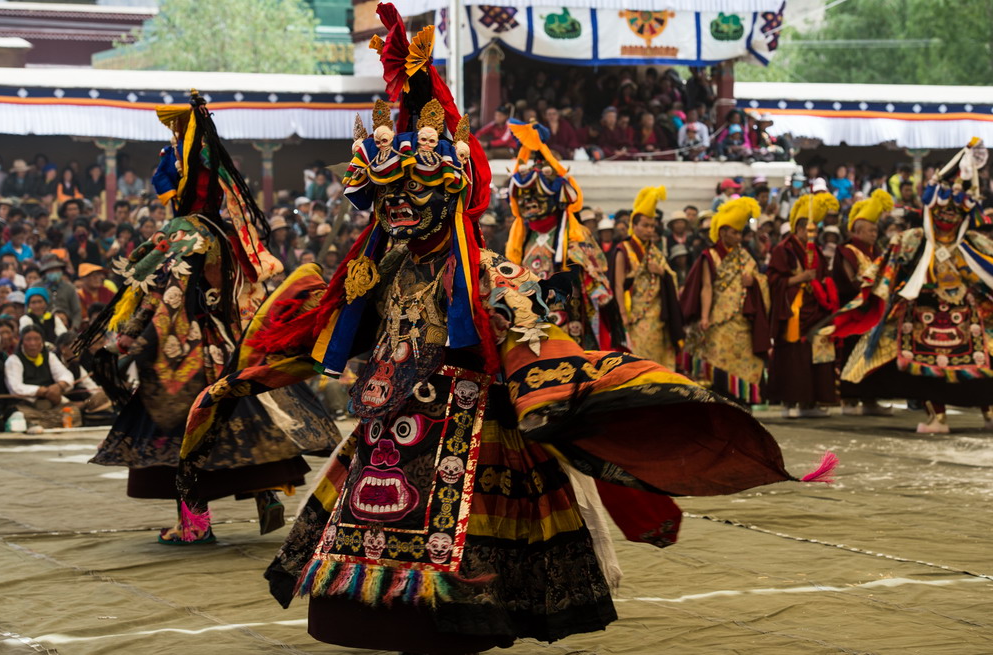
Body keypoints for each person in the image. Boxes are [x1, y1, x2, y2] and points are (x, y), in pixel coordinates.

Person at [185, 8, 835, 650]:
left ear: (450, 192)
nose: (398, 209)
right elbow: (322, 333)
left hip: (466, 428)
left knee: (465, 571)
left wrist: (583, 387)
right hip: (388, 422)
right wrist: (243, 378)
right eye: (386, 198)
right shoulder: (375, 270)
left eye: (411, 193)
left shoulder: (485, 273)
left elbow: (533, 339)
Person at [81, 91, 340, 544]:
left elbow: (161, 293)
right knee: (249, 418)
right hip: (231, 344)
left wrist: (126, 339)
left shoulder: (181, 234)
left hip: (185, 352)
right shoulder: (226, 233)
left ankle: (194, 525)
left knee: (181, 438)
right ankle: (266, 493)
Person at [830, 141, 993, 432]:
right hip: (925, 316)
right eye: (942, 212)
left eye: (954, 213)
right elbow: (885, 274)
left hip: (961, 316)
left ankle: (979, 411)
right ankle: (944, 415)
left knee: (974, 363)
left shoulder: (972, 243)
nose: (948, 218)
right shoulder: (915, 239)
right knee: (931, 371)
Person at [504, 122, 623, 350]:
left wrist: (600, 296)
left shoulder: (573, 235)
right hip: (530, 320)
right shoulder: (521, 239)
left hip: (568, 318)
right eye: (525, 197)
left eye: (537, 196)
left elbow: (594, 278)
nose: (529, 203)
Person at [680, 198, 771, 405]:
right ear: (722, 232)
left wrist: (754, 282)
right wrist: (704, 316)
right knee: (717, 362)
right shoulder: (709, 255)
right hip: (717, 319)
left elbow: (761, 282)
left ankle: (743, 403)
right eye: (734, 233)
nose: (739, 238)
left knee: (744, 363)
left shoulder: (745, 256)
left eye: (740, 233)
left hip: (742, 322)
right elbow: (706, 287)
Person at [766, 193, 841, 418]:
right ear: (797, 228)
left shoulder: (815, 250)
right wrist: (800, 279)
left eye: (814, 229)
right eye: (806, 228)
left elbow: (824, 276)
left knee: (816, 355)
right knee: (793, 356)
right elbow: (773, 280)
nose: (811, 233)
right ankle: (789, 402)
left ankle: (811, 403)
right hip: (793, 310)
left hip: (815, 308)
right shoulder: (783, 249)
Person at [832, 189, 893, 417]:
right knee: (852, 355)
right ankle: (849, 400)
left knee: (872, 356)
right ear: (857, 231)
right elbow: (848, 282)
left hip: (876, 312)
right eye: (870, 230)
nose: (874, 234)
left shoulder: (877, 251)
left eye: (876, 229)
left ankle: (871, 400)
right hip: (856, 311)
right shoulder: (847, 251)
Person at [613, 186, 684, 368]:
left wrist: (661, 272)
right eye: (645, 225)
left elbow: (671, 276)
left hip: (659, 314)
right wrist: (622, 314)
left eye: (652, 226)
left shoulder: (654, 251)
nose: (649, 230)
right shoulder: (624, 249)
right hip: (635, 314)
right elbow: (618, 285)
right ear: (634, 226)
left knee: (660, 359)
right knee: (639, 359)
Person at [5, 325, 77, 428]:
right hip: (27, 405)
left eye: (36, 339)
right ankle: (46, 424)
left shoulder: (49, 357)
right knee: (23, 417)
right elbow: (15, 387)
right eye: (28, 339)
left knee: (75, 413)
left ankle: (43, 424)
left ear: (42, 341)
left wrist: (59, 386)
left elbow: (66, 375)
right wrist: (40, 390)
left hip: (51, 403)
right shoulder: (14, 360)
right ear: (22, 342)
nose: (32, 343)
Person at [38, 255, 81, 329]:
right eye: (51, 270)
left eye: (57, 269)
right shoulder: (36, 287)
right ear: (45, 272)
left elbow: (76, 311)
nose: (55, 272)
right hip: (43, 326)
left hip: (67, 325)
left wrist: (74, 328)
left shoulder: (69, 288)